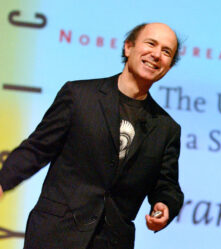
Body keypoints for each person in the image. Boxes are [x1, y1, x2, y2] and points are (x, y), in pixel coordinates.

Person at [0, 22, 184, 249]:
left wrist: (164, 204)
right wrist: (3, 180)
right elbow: (38, 147)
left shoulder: (166, 128)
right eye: (151, 44)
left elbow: (167, 185)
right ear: (128, 48)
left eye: (166, 52)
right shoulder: (79, 96)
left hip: (112, 241)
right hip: (55, 233)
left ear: (169, 65)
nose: (156, 54)